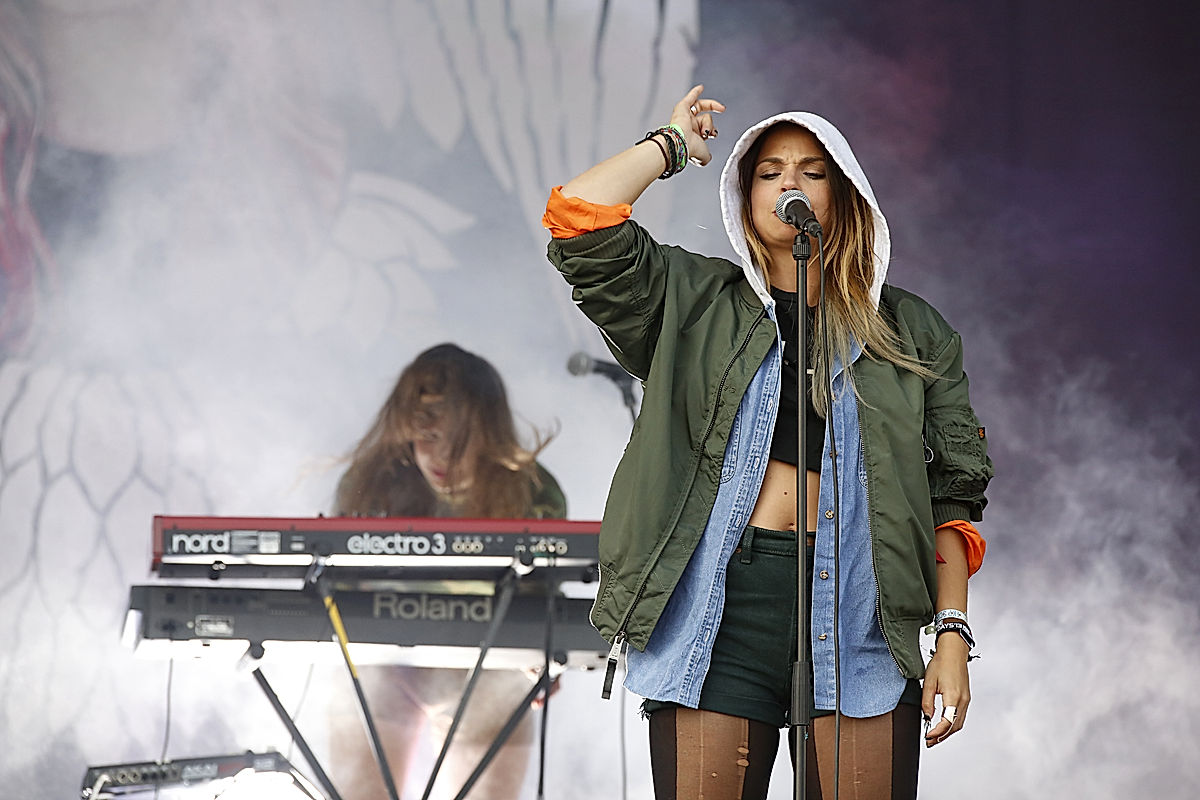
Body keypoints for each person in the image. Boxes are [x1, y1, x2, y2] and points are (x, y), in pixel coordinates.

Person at [542, 85, 993, 799]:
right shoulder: (691, 299)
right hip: (722, 605)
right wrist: (667, 147)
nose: (791, 183)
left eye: (813, 171)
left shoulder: (914, 332)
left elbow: (954, 497)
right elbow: (578, 222)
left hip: (862, 608)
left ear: (843, 196)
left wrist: (953, 634)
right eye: (770, 171)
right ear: (745, 196)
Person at [328, 342, 566, 800]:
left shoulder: (532, 491)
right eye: (426, 438)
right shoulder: (371, 482)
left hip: (490, 675)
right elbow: (336, 592)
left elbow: (544, 605)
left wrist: (542, 660)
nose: (440, 458)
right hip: (381, 669)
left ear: (489, 433)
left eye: (457, 441)